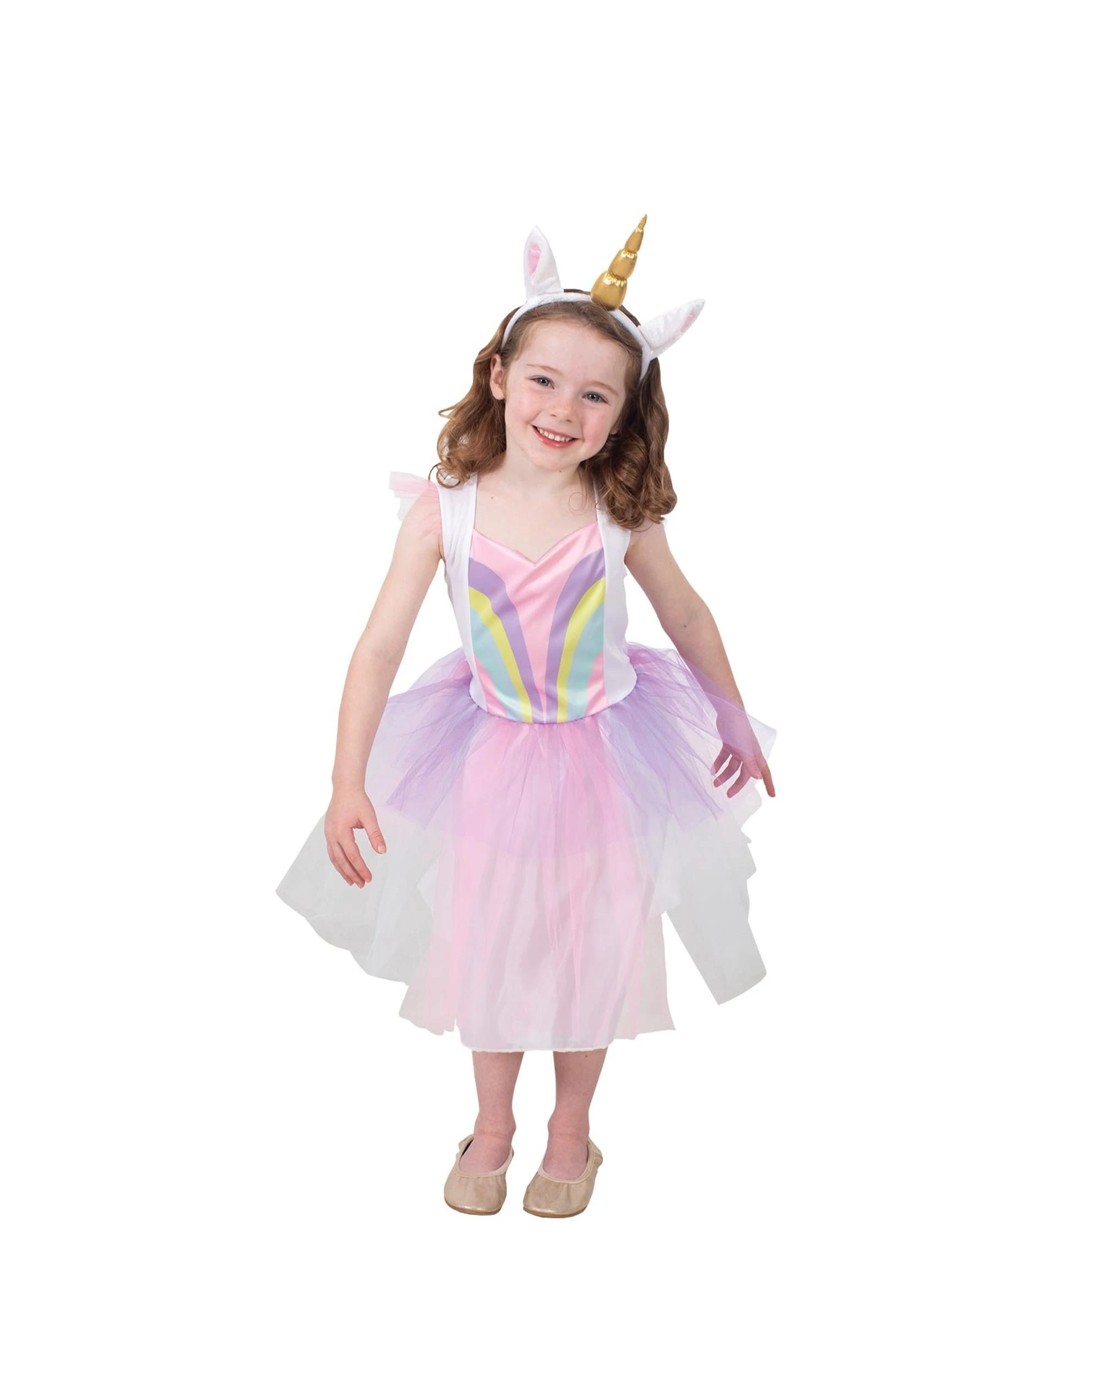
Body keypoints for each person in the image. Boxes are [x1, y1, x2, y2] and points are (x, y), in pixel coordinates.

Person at [275, 218, 778, 1218]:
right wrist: (346, 780)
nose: (563, 408)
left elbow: (684, 614)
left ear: (624, 412)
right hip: (490, 754)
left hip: (609, 753)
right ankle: (494, 1123)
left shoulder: (618, 511)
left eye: (595, 394)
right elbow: (377, 648)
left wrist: (731, 715)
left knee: (593, 945)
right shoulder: (444, 509)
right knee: (491, 942)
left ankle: (570, 1129)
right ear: (499, 375)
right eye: (544, 379)